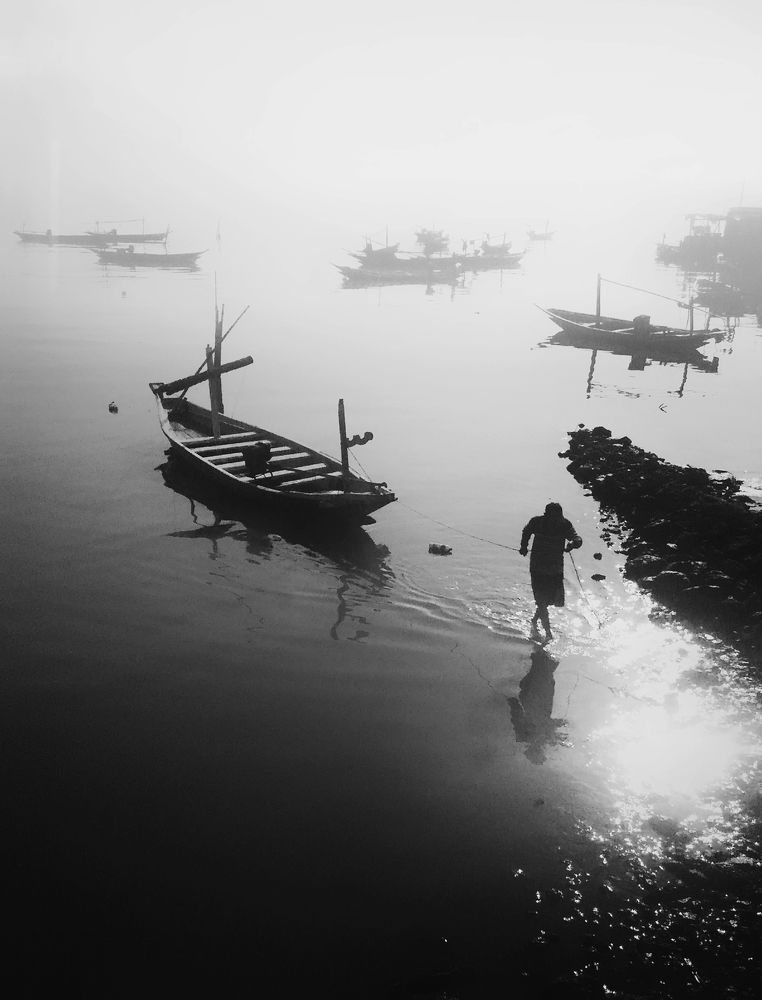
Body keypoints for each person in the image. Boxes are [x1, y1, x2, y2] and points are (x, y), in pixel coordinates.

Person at [519, 502, 582, 640]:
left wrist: (573, 544)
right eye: (553, 517)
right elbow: (526, 531)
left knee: (549, 599)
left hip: (554, 569)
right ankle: (548, 633)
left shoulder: (564, 524)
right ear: (546, 514)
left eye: (557, 517)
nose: (555, 520)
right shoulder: (537, 522)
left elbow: (577, 538)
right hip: (538, 568)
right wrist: (524, 546)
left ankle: (535, 621)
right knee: (541, 599)